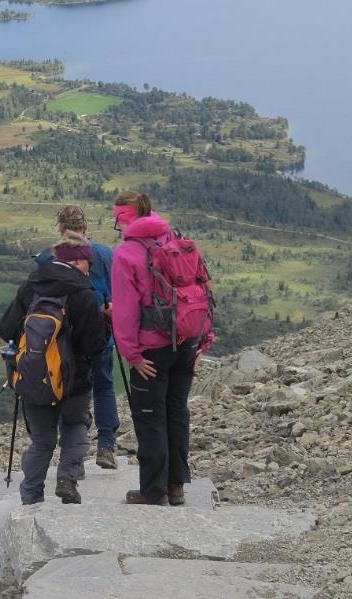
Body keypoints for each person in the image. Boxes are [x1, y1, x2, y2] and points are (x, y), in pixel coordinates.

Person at [111, 190, 213, 507]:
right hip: (187, 342)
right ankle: (177, 486)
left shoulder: (126, 253)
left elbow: (126, 312)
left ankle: (153, 491)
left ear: (125, 217)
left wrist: (132, 355)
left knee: (150, 418)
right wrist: (203, 338)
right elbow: (202, 287)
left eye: (117, 217)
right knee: (177, 414)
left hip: (152, 350)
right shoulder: (177, 239)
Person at [0, 232, 104, 506]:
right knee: (76, 424)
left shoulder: (31, 286)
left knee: (42, 440)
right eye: (86, 261)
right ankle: (67, 479)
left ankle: (31, 496)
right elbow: (94, 344)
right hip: (75, 380)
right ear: (76, 260)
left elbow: (6, 330)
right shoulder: (83, 293)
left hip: (33, 378)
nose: (89, 267)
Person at [35, 204, 120, 470]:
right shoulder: (105, 254)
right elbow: (116, 293)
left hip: (65, 339)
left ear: (60, 227)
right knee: (104, 386)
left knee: (69, 391)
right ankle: (106, 445)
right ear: (85, 226)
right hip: (100, 331)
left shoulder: (49, 258)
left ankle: (74, 457)